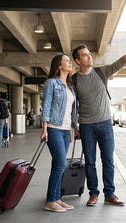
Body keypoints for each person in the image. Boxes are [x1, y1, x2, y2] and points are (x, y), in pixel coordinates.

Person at [72, 40, 126, 206]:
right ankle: (93, 194)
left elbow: (120, 63)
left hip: (105, 123)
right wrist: (73, 126)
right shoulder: (75, 80)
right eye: (84, 55)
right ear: (78, 61)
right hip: (86, 126)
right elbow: (72, 104)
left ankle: (109, 194)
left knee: (108, 161)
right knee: (90, 162)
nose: (89, 57)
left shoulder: (101, 72)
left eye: (89, 54)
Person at [41, 53, 77, 213]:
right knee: (61, 163)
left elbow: (70, 111)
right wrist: (44, 129)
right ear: (59, 65)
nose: (70, 62)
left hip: (64, 130)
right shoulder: (51, 83)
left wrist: (71, 129)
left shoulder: (70, 86)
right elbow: (47, 106)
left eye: (70, 61)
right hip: (53, 128)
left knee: (58, 164)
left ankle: (56, 198)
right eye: (67, 61)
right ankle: (50, 200)